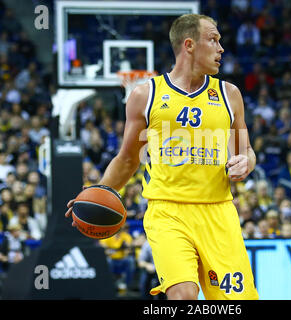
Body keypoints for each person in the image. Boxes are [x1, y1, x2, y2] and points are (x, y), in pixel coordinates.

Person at [66, 14, 258, 300]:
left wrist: (247, 162)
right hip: (167, 211)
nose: (221, 49)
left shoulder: (230, 95)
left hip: (219, 212)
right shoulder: (146, 95)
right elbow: (128, 159)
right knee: (183, 296)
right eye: (213, 40)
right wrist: (96, 192)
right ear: (189, 45)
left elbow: (246, 151)